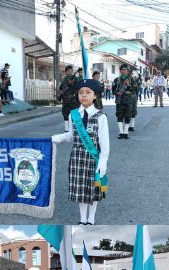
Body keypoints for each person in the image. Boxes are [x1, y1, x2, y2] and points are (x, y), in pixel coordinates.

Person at [52, 79, 109, 225]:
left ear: (95, 96)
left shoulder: (101, 117)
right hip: (77, 158)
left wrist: (103, 162)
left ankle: (91, 219)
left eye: (88, 93)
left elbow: (104, 143)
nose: (84, 95)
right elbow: (71, 135)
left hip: (93, 158)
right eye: (81, 92)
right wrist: (56, 138)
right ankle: (82, 219)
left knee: (94, 190)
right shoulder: (73, 115)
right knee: (80, 190)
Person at [112, 64, 136, 139]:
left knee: (128, 116)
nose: (124, 71)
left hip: (128, 101)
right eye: (122, 70)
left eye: (125, 70)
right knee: (119, 116)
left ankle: (126, 132)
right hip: (120, 100)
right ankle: (120, 132)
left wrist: (128, 85)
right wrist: (117, 93)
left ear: (127, 71)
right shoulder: (116, 80)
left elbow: (135, 89)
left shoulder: (131, 79)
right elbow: (113, 90)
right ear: (120, 71)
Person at [58, 65, 80, 131]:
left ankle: (77, 129)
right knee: (65, 113)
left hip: (73, 100)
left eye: (71, 70)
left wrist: (72, 83)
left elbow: (78, 87)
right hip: (65, 100)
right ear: (66, 71)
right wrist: (61, 92)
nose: (69, 72)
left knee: (75, 113)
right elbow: (60, 88)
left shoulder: (75, 79)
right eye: (68, 71)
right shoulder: (64, 79)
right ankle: (66, 129)